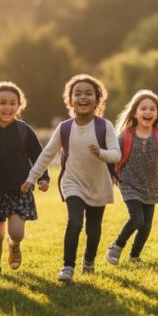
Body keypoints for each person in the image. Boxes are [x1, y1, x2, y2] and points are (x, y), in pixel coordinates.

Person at [21, 74, 120, 282]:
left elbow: (116, 154)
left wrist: (101, 153)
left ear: (97, 99)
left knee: (93, 230)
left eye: (88, 93)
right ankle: (67, 266)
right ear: (70, 100)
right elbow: (47, 154)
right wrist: (32, 178)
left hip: (98, 183)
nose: (83, 97)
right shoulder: (65, 128)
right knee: (74, 222)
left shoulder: (105, 126)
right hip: (72, 182)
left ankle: (89, 262)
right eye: (78, 94)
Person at [0, 82, 50, 276]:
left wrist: (43, 178)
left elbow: (38, 156)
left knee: (16, 232)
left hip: (20, 189)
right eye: (3, 102)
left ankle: (13, 246)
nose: (8, 107)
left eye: (13, 103)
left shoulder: (24, 130)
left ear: (19, 106)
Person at [106, 90, 158, 265]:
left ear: (157, 114)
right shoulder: (125, 136)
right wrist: (109, 175)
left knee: (146, 227)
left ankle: (134, 256)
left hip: (151, 186)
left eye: (152, 109)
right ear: (135, 112)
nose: (148, 112)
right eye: (143, 108)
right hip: (128, 184)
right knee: (137, 219)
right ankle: (116, 246)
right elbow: (112, 155)